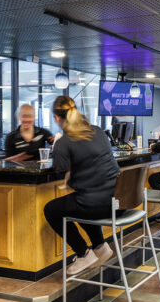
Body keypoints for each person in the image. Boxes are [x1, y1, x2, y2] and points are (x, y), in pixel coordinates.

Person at [43, 96, 120, 275]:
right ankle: (100, 246)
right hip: (118, 201)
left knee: (53, 209)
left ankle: (83, 253)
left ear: (56, 118)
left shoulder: (64, 141)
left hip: (98, 204)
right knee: (79, 202)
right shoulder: (98, 131)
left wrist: (58, 147)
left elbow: (59, 170)